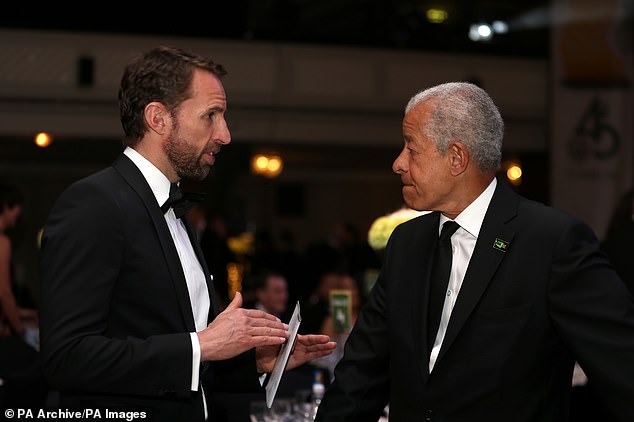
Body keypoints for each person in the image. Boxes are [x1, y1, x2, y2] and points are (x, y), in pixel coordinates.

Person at [39, 46, 335, 422]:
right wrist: (203, 345)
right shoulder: (95, 204)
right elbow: (67, 358)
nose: (225, 135)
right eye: (211, 116)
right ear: (158, 118)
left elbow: (185, 354)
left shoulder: (176, 212)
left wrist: (256, 361)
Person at [315, 82, 634, 421]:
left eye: (411, 148)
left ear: (456, 158)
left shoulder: (551, 241)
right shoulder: (406, 243)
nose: (398, 163)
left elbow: (623, 366)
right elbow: (361, 376)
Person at [0, 185, 47, 410]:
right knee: (37, 368)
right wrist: (20, 329)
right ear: (8, 208)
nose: (17, 217)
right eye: (16, 210)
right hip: (6, 336)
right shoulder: (3, 241)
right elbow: (4, 293)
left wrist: (26, 314)